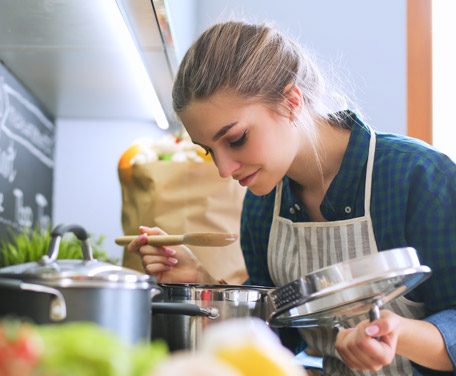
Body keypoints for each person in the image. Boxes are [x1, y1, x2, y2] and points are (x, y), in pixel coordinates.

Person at [127, 21, 456, 375]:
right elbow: (279, 339)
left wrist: (398, 334)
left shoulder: (417, 176)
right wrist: (203, 282)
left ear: (291, 101)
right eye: (209, 151)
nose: (224, 169)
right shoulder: (262, 204)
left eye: (236, 139)